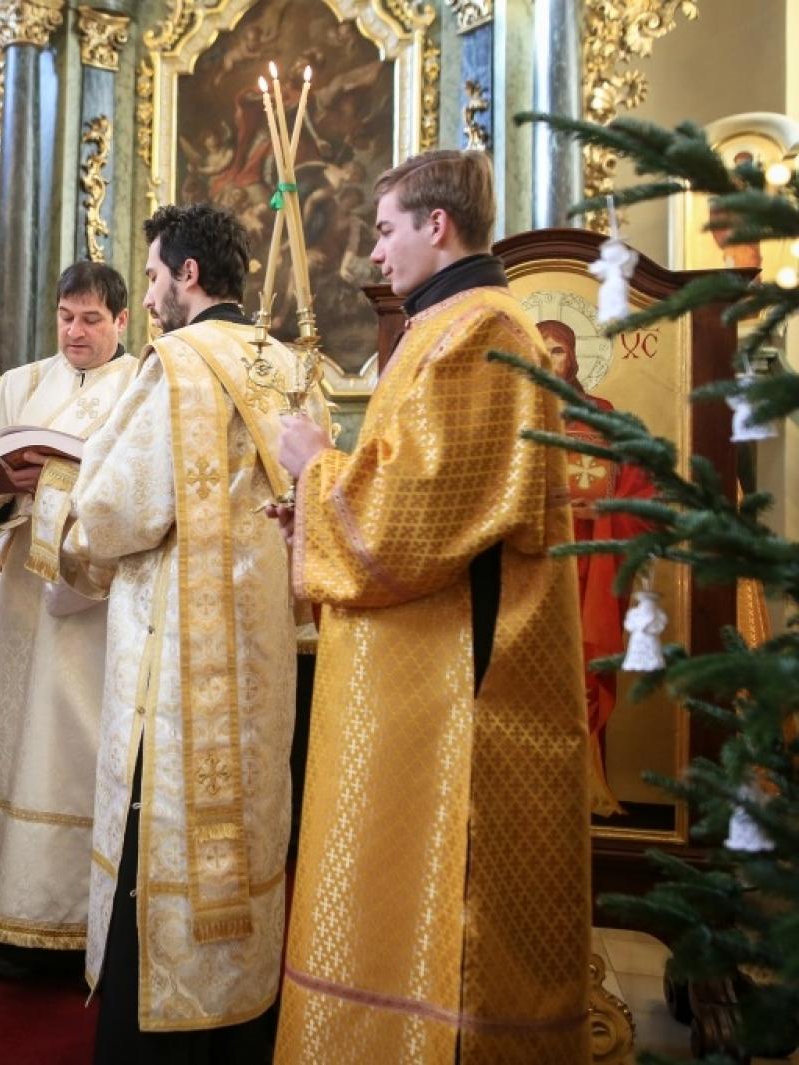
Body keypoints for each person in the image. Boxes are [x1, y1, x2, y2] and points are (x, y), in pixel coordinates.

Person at [272, 149, 590, 1062]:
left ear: (436, 225)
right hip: (415, 669)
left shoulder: (481, 331)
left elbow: (416, 514)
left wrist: (316, 467)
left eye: (385, 230)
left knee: (449, 893)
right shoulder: (444, 325)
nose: (376, 252)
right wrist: (314, 508)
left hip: (455, 687)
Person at [63, 204, 319, 1062]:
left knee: (167, 824)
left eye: (151, 276)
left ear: (189, 275)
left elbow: (115, 510)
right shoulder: (290, 366)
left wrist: (64, 526)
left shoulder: (174, 364)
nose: (147, 296)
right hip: (261, 653)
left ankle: (160, 1038)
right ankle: (239, 1028)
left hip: (176, 660)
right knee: (248, 825)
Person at [0, 262, 138, 981]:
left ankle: (68, 916)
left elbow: (133, 493)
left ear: (122, 321)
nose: (75, 332)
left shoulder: (141, 387)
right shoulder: (22, 384)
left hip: (90, 599)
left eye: (91, 319)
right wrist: (6, 491)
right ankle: (11, 901)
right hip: (25, 596)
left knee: (71, 747)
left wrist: (61, 483)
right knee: (15, 738)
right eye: (66, 317)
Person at [537, 319, 651, 816]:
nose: (549, 361)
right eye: (539, 351)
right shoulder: (513, 415)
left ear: (574, 357)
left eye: (558, 351)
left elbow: (644, 496)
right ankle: (527, 795)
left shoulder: (606, 421)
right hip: (532, 567)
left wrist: (601, 511)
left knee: (582, 674)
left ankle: (587, 789)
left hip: (591, 564)